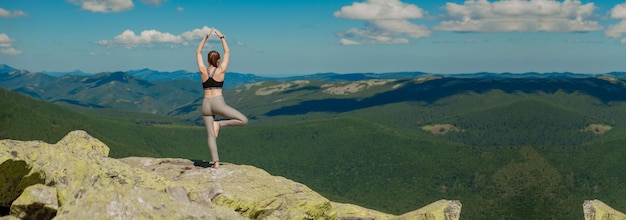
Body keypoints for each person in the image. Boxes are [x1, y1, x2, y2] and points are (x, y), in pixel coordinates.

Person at [196, 28, 248, 169]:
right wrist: (221, 37)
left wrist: (205, 38)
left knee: (211, 136)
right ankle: (219, 124)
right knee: (243, 120)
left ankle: (216, 163)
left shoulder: (202, 70)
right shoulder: (221, 70)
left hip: (206, 104)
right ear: (218, 60)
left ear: (208, 60)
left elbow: (198, 52)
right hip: (218, 103)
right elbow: (228, 52)